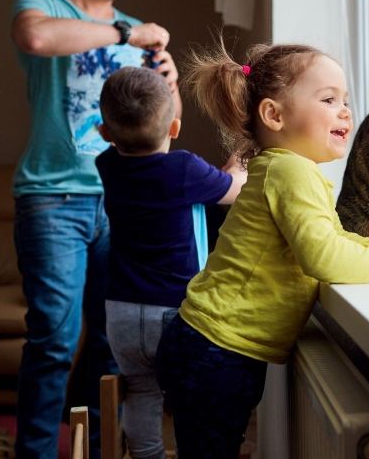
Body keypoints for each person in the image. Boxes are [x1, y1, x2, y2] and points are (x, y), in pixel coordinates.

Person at [154, 41, 369, 457]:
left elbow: (331, 237)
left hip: (215, 346)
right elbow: (324, 256)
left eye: (345, 100)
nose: (344, 111)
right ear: (274, 115)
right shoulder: (290, 171)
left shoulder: (289, 169)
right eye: (328, 99)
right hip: (215, 350)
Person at [10, 0, 181, 458]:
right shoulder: (44, 6)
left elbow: (165, 127)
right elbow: (36, 38)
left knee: (116, 344)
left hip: (120, 200)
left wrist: (171, 84)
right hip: (52, 197)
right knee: (54, 342)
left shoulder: (138, 35)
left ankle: (105, 449)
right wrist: (126, 32)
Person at [95, 66, 246, 459]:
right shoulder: (184, 169)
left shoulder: (107, 166)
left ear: (105, 134)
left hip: (121, 311)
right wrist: (238, 163)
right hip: (174, 311)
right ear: (174, 127)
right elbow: (232, 190)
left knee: (141, 390)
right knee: (187, 392)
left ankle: (148, 456)